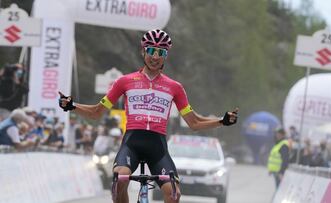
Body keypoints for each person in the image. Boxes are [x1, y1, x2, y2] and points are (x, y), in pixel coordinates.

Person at [58, 29, 238, 203]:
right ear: (143, 51)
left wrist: (222, 121)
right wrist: (72, 106)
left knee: (173, 193)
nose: (155, 57)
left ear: (166, 56)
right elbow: (97, 112)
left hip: (157, 148)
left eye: (161, 52)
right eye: (151, 50)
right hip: (132, 143)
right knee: (120, 177)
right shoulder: (124, 81)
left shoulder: (174, 87)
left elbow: (194, 122)